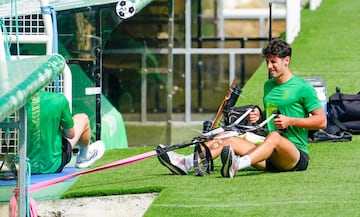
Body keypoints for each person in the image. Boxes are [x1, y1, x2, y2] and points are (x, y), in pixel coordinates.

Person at [157, 38, 327, 178]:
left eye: (273, 62)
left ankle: (237, 165)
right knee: (227, 137)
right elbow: (274, 115)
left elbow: (321, 121)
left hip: (294, 154)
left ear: (286, 60)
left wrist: (292, 121)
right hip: (268, 155)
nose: (269, 67)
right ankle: (185, 163)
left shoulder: (303, 88)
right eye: (267, 62)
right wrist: (259, 116)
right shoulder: (268, 86)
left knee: (274, 137)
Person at [26, 90, 105, 174]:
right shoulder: (59, 100)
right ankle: (84, 157)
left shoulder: (14, 102)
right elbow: (70, 134)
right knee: (83, 118)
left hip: (21, 168)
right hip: (53, 166)